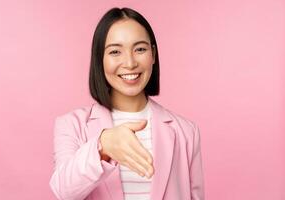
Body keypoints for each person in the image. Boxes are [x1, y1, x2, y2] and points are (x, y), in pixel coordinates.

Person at [49, 7, 204, 200]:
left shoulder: (187, 132)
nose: (130, 63)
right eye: (115, 51)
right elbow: (63, 192)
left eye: (140, 49)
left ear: (153, 55)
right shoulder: (71, 124)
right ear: (100, 59)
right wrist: (102, 146)